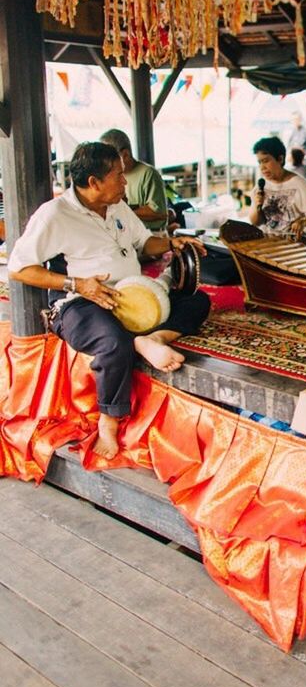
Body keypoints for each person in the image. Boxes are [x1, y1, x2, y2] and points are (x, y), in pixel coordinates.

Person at [8, 142, 210, 461]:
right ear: (94, 182)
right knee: (113, 342)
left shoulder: (117, 206)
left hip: (130, 295)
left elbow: (145, 242)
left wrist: (172, 242)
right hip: (79, 303)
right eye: (118, 175)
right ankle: (109, 420)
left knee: (198, 302)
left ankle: (150, 339)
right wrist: (77, 284)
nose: (125, 182)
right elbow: (19, 268)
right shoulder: (54, 215)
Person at [249, 137, 306, 239]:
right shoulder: (261, 186)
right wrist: (258, 206)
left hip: (298, 243)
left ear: (280, 159)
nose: (262, 167)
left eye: (265, 161)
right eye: (259, 162)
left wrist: (304, 221)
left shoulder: (300, 184)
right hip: (271, 244)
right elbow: (255, 222)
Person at [99, 129, 168, 233]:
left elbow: (159, 213)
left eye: (110, 158)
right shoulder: (110, 177)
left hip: (152, 235)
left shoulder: (148, 173)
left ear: (125, 154)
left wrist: (122, 210)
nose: (106, 163)